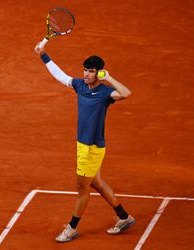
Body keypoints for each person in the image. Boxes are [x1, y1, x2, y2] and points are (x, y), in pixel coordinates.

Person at [34, 42, 134, 243]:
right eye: (85, 70)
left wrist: (109, 78)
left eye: (91, 71)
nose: (86, 74)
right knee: (95, 182)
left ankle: (72, 228)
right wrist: (43, 55)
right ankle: (124, 217)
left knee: (82, 188)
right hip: (82, 145)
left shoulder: (106, 93)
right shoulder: (80, 85)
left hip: (92, 148)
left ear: (99, 73)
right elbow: (61, 77)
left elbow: (126, 93)